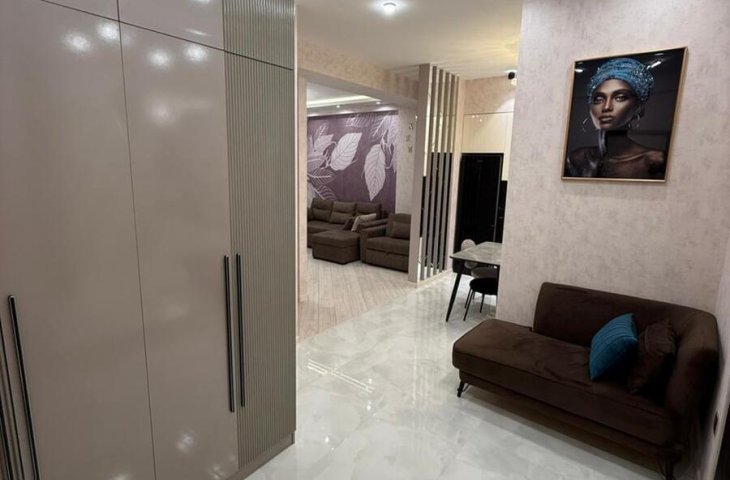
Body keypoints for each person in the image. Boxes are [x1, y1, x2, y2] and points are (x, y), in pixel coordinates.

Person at [566, 57, 666, 179]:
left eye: (620, 98)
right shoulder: (579, 158)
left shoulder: (653, 161)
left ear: (638, 108)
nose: (606, 107)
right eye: (598, 99)